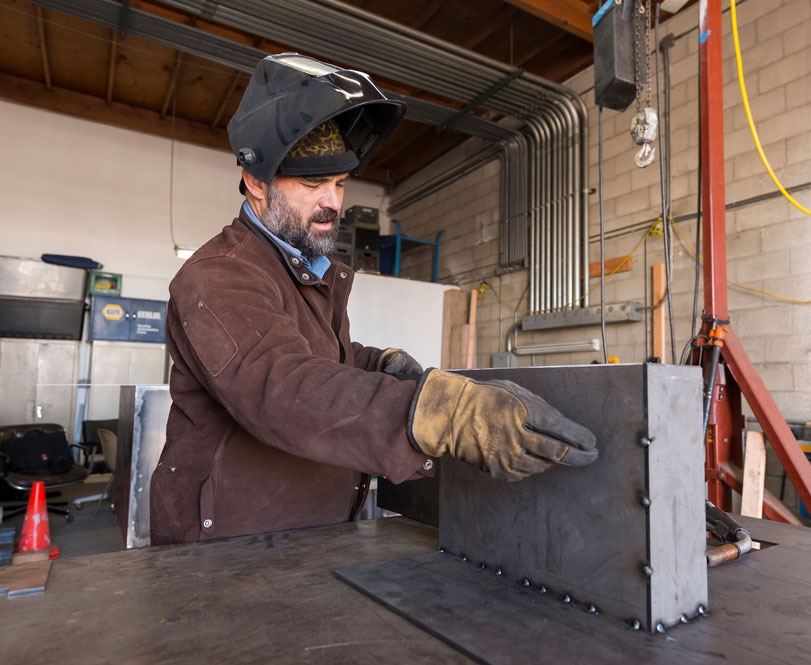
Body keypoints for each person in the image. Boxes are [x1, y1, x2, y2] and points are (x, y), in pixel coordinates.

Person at [149, 53, 598, 545]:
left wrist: (376, 363)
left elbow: (313, 356)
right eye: (313, 183)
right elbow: (282, 388)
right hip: (222, 552)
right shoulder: (219, 277)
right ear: (256, 182)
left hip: (298, 535)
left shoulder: (299, 268)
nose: (333, 202)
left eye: (340, 183)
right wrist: (443, 413)